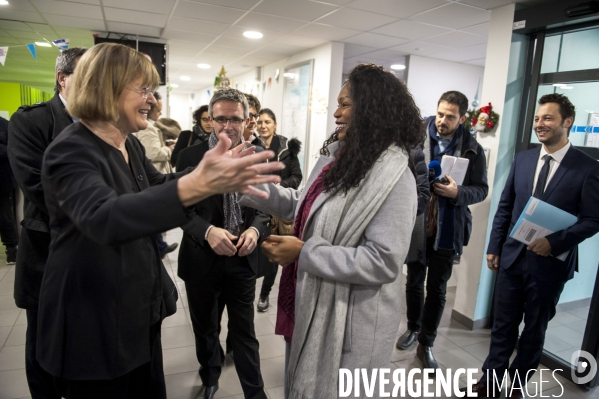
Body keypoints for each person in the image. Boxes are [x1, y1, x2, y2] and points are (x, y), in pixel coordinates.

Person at [36, 43, 282, 399]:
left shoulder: (129, 145)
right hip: (94, 323)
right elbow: (104, 218)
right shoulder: (70, 149)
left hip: (136, 312)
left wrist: (203, 175)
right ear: (108, 88)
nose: (152, 101)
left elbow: (156, 186)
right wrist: (199, 183)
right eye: (144, 90)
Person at [240, 63, 423, 398]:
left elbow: (383, 261)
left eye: (345, 104)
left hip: (351, 322)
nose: (336, 113)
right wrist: (249, 186)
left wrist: (304, 252)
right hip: (309, 300)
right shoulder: (335, 159)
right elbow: (304, 203)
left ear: (371, 109)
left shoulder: (395, 177)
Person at [467, 94, 599, 398]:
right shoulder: (524, 159)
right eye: (538, 119)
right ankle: (489, 384)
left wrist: (553, 242)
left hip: (550, 266)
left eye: (548, 118)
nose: (540, 124)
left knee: (533, 332)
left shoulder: (587, 168)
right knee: (502, 327)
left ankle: (514, 387)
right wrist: (494, 247)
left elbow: (593, 219)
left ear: (567, 122)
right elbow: (506, 206)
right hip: (511, 260)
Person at [176, 89, 270, 399]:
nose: (228, 125)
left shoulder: (257, 155)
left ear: (247, 120)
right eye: (220, 118)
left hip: (241, 258)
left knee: (244, 333)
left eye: (235, 118)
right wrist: (207, 231)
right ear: (210, 121)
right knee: (206, 328)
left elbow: (265, 209)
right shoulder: (191, 157)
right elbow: (180, 209)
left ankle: (255, 393)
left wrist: (255, 231)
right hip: (202, 257)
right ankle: (210, 377)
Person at [8, 46, 87, 399]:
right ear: (63, 79)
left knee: (83, 349)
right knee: (44, 346)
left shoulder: (107, 124)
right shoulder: (31, 121)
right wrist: (113, 211)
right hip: (47, 256)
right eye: (90, 78)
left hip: (93, 259)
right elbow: (41, 190)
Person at [395, 91, 488, 370]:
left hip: (449, 226)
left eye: (450, 116)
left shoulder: (473, 148)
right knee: (413, 280)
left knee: (437, 288)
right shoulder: (414, 136)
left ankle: (427, 343)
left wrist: (457, 191)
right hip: (417, 222)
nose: (442, 121)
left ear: (462, 119)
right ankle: (413, 327)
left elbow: (481, 190)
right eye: (440, 114)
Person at [255, 108, 302, 312]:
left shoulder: (286, 149)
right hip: (256, 207)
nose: (263, 126)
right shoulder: (251, 147)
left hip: (277, 210)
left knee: (272, 253)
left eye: (267, 122)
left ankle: (264, 294)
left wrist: (280, 186)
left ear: (275, 124)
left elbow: (297, 177)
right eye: (260, 122)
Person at [132, 91, 178, 258]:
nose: (150, 100)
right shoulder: (147, 128)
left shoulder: (131, 141)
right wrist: (169, 149)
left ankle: (159, 246)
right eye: (143, 90)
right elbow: (153, 153)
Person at [0, 116, 18, 265]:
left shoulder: (5, 124)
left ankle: (11, 249)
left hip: (2, 180)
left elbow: (11, 149)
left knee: (4, 216)